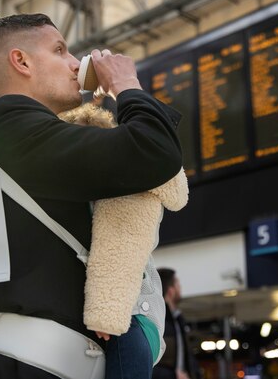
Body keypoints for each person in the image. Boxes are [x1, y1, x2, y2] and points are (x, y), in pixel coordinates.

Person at [0, 13, 182, 379]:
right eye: (60, 50)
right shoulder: (10, 126)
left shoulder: (8, 135)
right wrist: (126, 84)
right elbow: (153, 152)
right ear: (21, 61)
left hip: (17, 363)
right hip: (24, 365)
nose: (75, 64)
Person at [60, 103, 189, 379]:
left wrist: (108, 312)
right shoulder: (78, 192)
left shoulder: (126, 190)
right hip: (110, 320)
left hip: (131, 319)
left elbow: (119, 247)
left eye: (88, 140)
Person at [153, 268, 201, 379]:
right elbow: (147, 362)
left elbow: (188, 358)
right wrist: (173, 375)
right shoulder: (158, 321)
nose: (181, 289)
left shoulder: (178, 321)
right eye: (178, 285)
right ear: (171, 291)